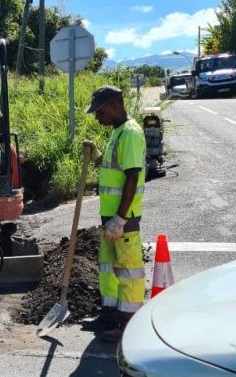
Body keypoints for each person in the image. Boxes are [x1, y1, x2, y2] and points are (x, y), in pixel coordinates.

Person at [83, 86, 146, 343]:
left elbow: (132, 177)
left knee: (129, 273)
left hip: (123, 219)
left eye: (99, 111)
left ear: (114, 105)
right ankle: (108, 316)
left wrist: (120, 220)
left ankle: (128, 327)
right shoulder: (117, 132)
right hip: (110, 219)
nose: (97, 117)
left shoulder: (130, 133)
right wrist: (98, 156)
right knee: (108, 269)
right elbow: (115, 172)